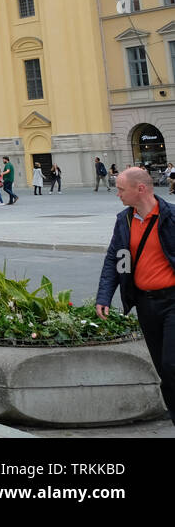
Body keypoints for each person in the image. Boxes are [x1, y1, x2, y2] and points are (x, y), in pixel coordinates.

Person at [95, 167, 175, 428]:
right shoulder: (125, 221)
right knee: (164, 372)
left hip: (173, 301)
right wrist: (104, 296)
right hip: (145, 304)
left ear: (140, 189)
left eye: (121, 189)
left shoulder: (171, 217)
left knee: (172, 366)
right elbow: (116, 260)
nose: (117, 194)